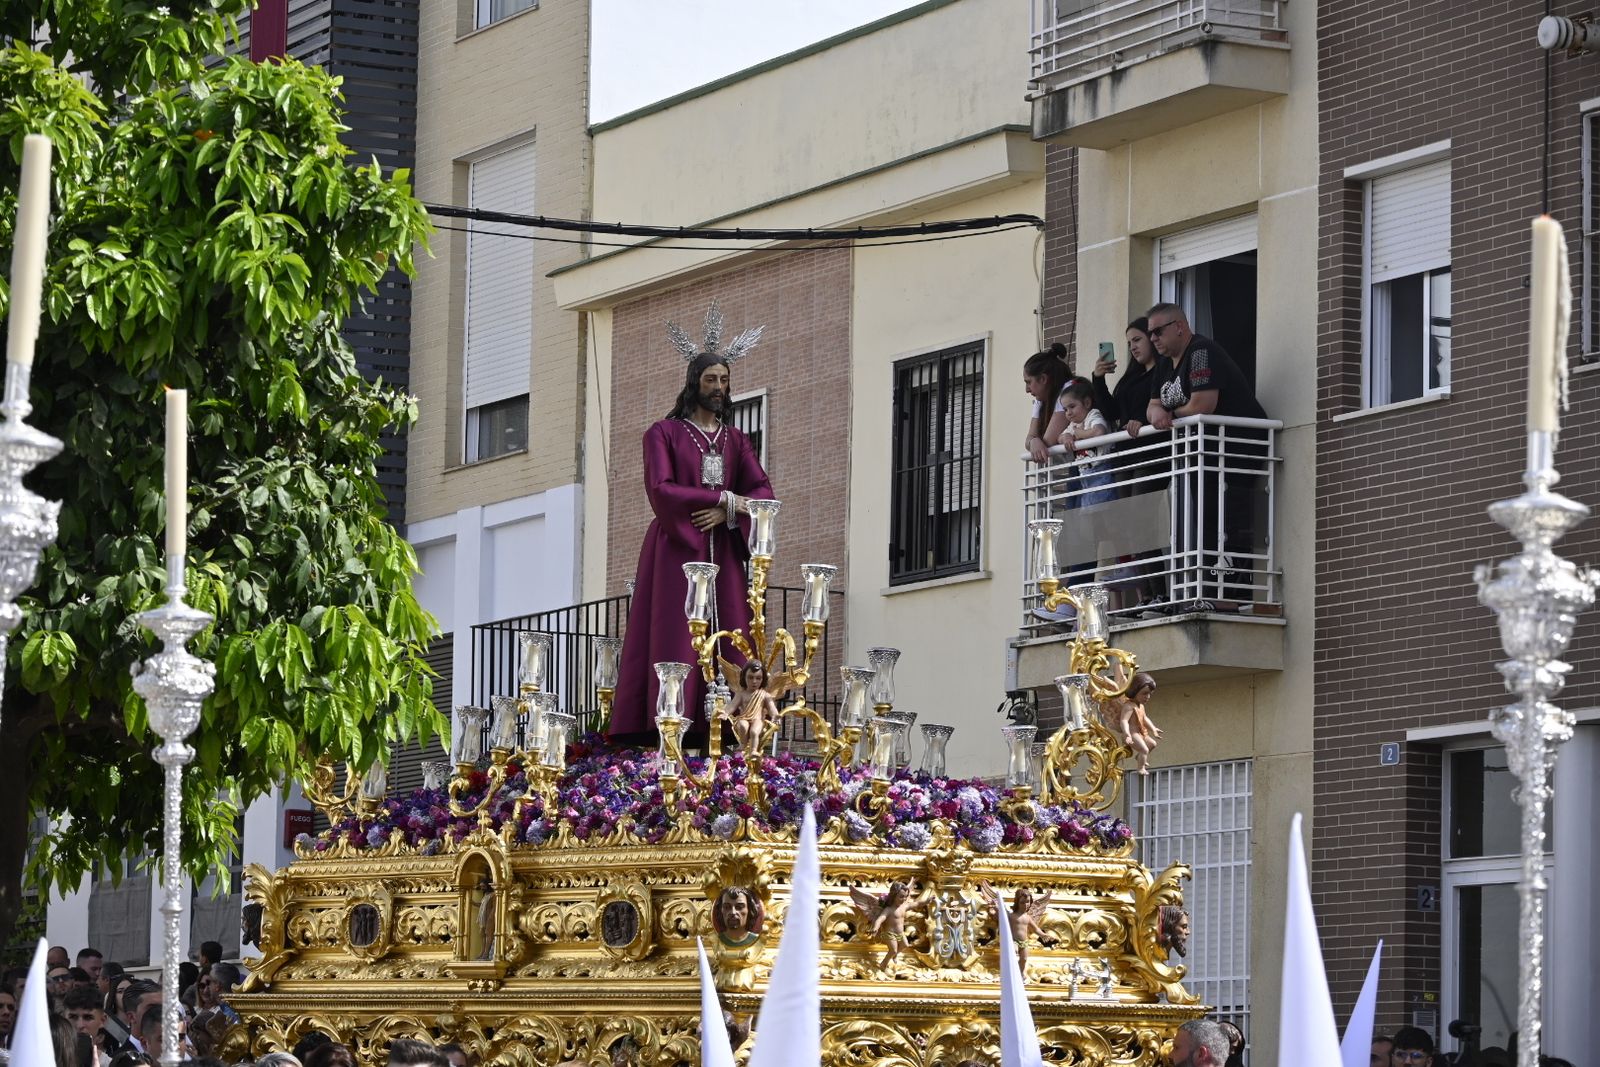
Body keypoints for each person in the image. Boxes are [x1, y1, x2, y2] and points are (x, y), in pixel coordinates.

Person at [611, 304, 775, 743]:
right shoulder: (663, 433)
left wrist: (727, 509)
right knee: (676, 633)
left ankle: (734, 719)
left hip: (723, 547)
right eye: (710, 380)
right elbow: (661, 489)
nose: (719, 387)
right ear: (693, 383)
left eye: (724, 380)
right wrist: (720, 499)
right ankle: (671, 719)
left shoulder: (736, 440)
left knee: (735, 632)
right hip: (677, 547)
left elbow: (763, 493)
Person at [1143, 302, 1268, 607]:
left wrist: (1168, 412)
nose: (1154, 339)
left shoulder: (1201, 352)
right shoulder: (1163, 364)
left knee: (1227, 525)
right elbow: (1151, 407)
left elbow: (1203, 405)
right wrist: (1160, 411)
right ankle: (1200, 590)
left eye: (1159, 331)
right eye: (1150, 334)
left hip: (1236, 451)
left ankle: (1230, 595)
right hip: (1203, 455)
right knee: (1199, 523)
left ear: (1179, 327)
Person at [1022, 342, 1076, 463]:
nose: (1026, 389)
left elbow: (1047, 441)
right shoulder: (1040, 402)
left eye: (1028, 382)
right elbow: (1028, 441)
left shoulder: (1068, 391)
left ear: (1043, 379)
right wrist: (1033, 441)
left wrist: (1034, 440)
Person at [724, 660, 779, 752]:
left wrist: (775, 716)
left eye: (758, 678)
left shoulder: (764, 695)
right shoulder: (741, 694)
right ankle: (743, 745)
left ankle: (754, 750)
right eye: (750, 677)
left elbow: (771, 708)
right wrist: (725, 713)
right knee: (742, 725)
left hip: (757, 719)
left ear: (763, 679)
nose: (754, 681)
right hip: (744, 718)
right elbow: (732, 706)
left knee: (754, 731)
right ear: (744, 677)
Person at [64, 986, 112, 1066]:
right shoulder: (45, 1059)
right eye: (73, 1017)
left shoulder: (111, 1065)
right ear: (63, 1018)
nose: (80, 1025)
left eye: (88, 1018)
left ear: (102, 1020)